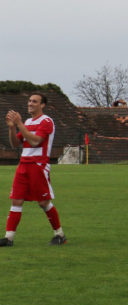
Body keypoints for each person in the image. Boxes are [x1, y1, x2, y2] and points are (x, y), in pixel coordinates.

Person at [1, 93, 67, 247]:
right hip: (23, 164)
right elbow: (15, 144)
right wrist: (12, 128)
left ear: (42, 105)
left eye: (35, 101)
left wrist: (19, 124)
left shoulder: (46, 121)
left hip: (38, 165)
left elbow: (35, 141)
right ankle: (9, 238)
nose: (30, 103)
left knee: (43, 202)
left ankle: (60, 235)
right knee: (16, 200)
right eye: (29, 101)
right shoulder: (28, 122)